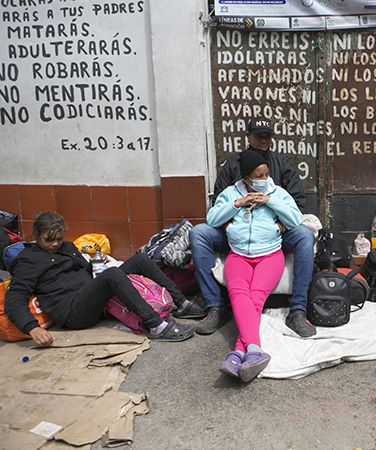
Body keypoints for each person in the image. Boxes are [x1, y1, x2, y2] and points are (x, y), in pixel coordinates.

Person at [190, 117, 317, 337]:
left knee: (305, 234)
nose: (264, 140)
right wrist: (230, 224)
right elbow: (218, 204)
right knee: (199, 233)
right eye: (259, 136)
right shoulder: (232, 166)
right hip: (236, 235)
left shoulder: (282, 165)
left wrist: (281, 224)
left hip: (276, 233)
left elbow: (297, 205)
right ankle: (216, 307)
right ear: (248, 136)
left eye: (267, 136)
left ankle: (297, 310)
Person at [5, 212, 201, 346]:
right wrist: (31, 328)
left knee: (140, 260)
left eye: (59, 238)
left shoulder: (68, 248)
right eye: (49, 240)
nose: (55, 244)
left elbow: (84, 273)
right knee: (112, 274)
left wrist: (96, 264)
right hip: (73, 312)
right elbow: (14, 299)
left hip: (90, 293)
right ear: (36, 236)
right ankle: (156, 326)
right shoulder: (28, 260)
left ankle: (182, 303)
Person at [208, 151, 303, 381]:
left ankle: (240, 351)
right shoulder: (231, 193)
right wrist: (237, 204)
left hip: (269, 256)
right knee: (238, 295)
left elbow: (296, 219)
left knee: (254, 299)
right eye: (258, 175)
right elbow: (212, 219)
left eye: (266, 174)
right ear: (247, 178)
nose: (264, 178)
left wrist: (270, 201)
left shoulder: (276, 192)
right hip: (238, 255)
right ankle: (253, 350)